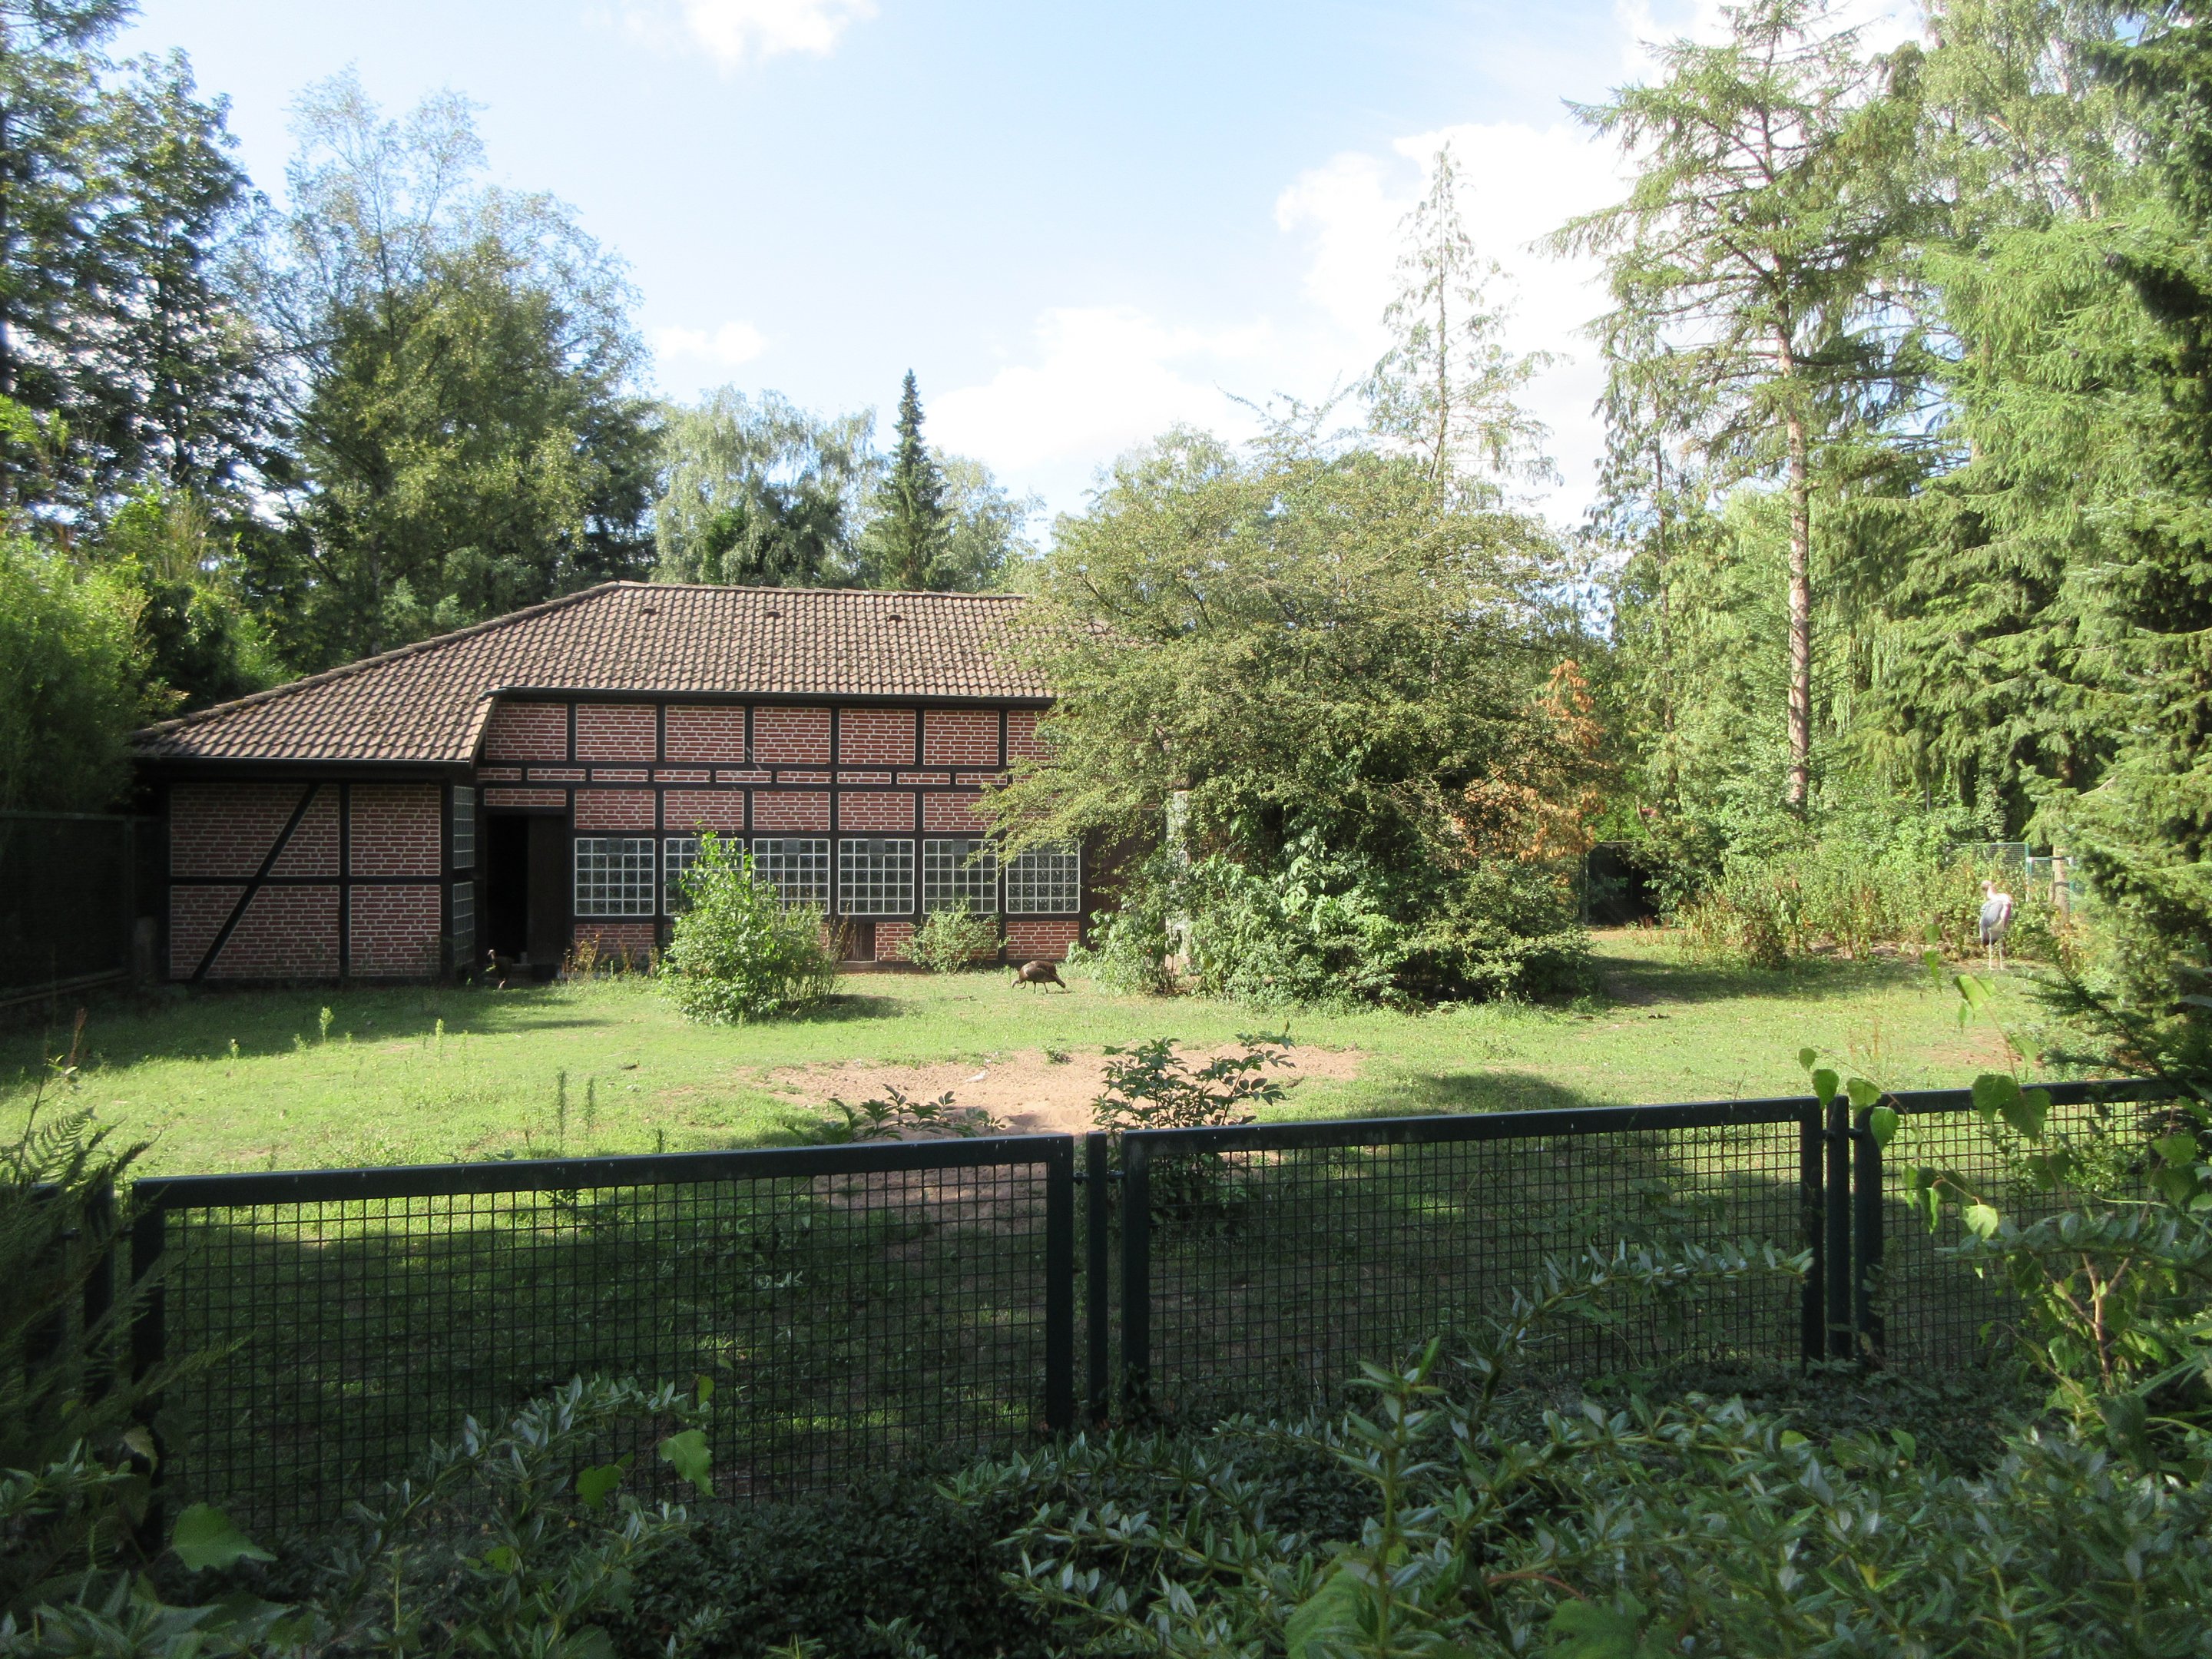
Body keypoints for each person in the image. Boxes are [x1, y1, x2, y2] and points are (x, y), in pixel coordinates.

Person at [1979, 879, 2015, 972]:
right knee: (1992, 941)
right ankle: (1990, 966)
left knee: (1999, 942)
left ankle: (2001, 966)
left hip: (1999, 924)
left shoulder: (2003, 902)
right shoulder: (1997, 903)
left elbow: (2006, 907)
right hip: (1990, 927)